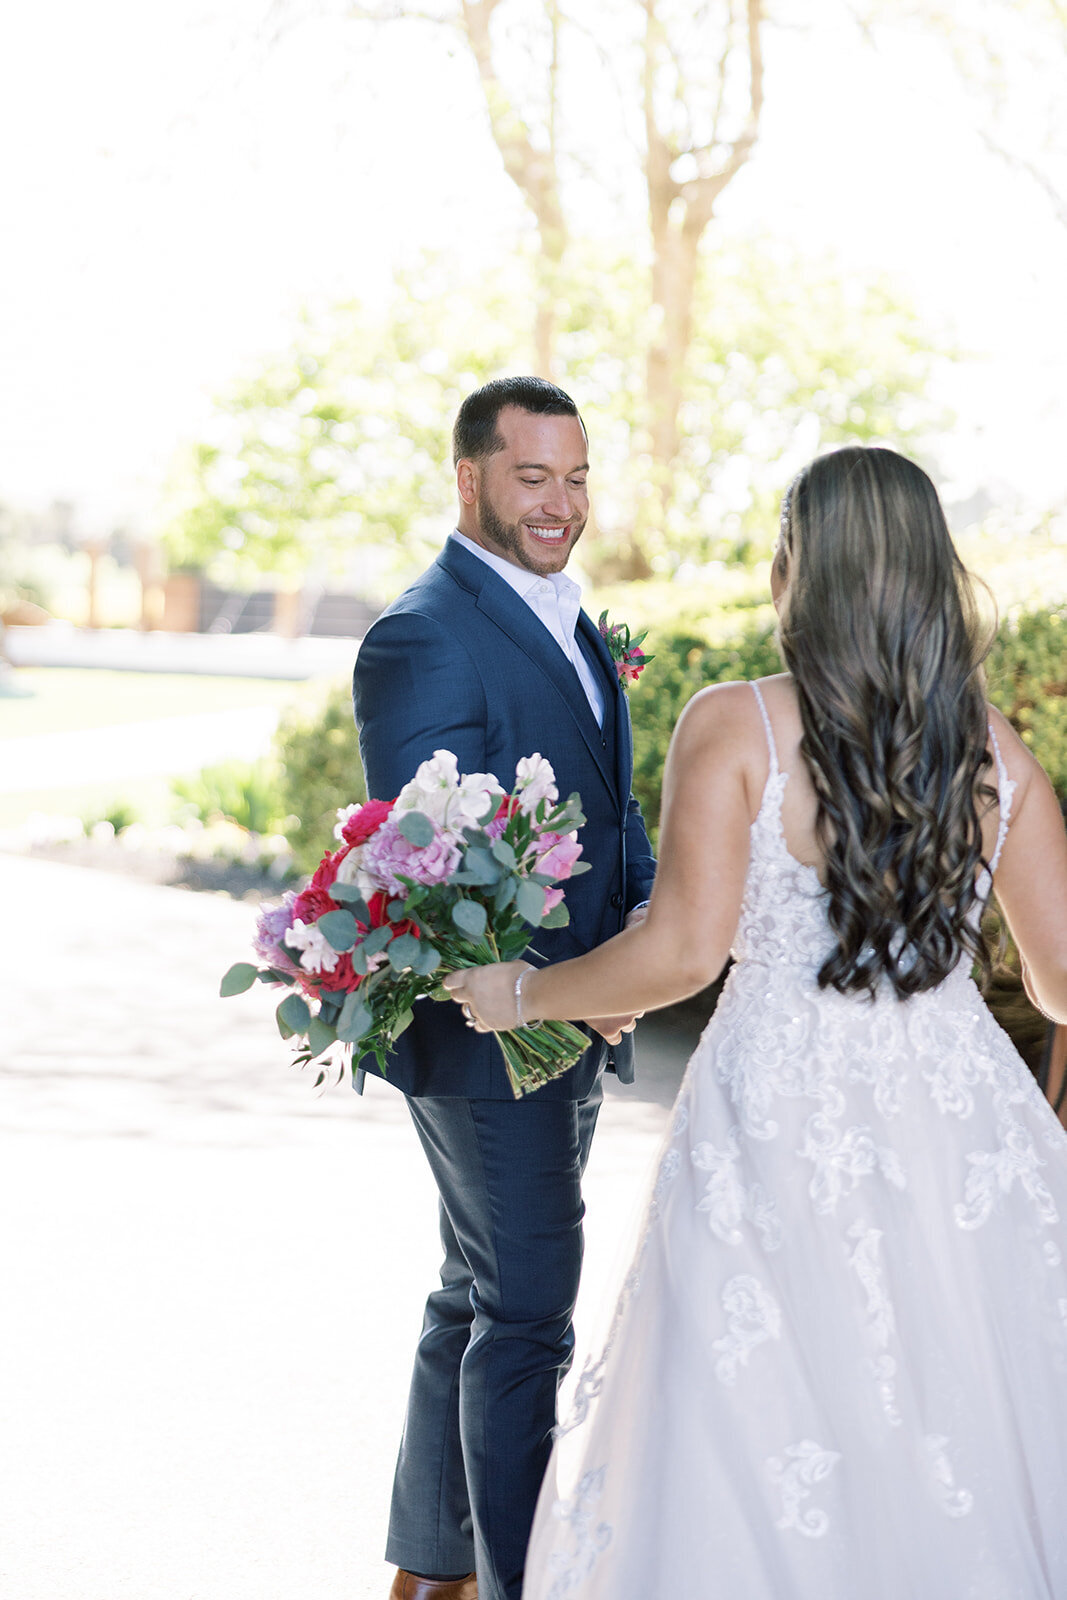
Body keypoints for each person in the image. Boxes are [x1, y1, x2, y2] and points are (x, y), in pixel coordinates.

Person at [445, 445, 1067, 1597]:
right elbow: (1061, 981)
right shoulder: (993, 750)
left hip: (777, 1118)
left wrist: (516, 991)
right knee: (953, 1408)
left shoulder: (737, 723)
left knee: (763, 1412)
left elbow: (680, 948)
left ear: (794, 567)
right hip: (956, 1114)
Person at [353, 376, 657, 1600]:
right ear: (468, 478)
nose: (560, 503)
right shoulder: (423, 631)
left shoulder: (573, 622)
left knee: (473, 1291)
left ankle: (432, 1574)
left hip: (579, 1015)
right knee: (527, 1310)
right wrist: (572, 993)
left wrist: (642, 930)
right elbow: (440, 867)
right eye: (532, 477)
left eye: (576, 476)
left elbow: (613, 805)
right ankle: (514, 1579)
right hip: (491, 1037)